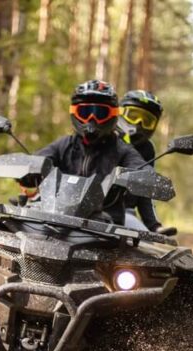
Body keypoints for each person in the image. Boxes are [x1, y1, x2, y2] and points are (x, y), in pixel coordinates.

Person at [26, 79, 162, 225]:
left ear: (113, 115)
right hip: (55, 217)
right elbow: (37, 160)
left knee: (140, 233)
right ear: (74, 112)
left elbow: (143, 170)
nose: (92, 119)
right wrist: (28, 170)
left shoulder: (123, 150)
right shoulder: (63, 145)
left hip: (107, 227)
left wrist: (145, 178)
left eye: (100, 113)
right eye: (85, 112)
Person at [116, 90, 176, 235]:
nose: (139, 123)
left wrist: (153, 225)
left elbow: (145, 188)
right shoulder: (104, 138)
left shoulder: (146, 149)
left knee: (147, 245)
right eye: (133, 116)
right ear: (120, 113)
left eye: (147, 120)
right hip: (86, 208)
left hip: (125, 214)